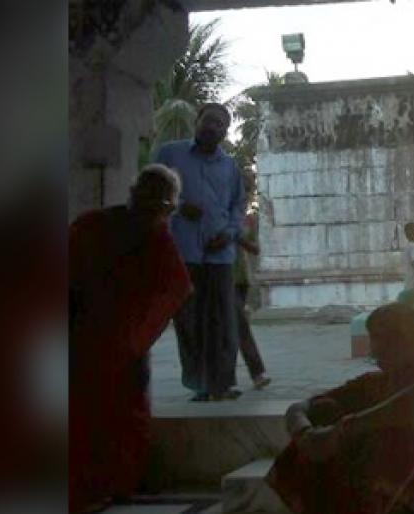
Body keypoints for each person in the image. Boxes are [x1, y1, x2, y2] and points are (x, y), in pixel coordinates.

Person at [267, 303, 414, 514]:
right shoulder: (375, 383)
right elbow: (300, 407)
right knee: (325, 410)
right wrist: (307, 435)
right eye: (377, 338)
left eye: (392, 338)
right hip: (373, 494)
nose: (382, 346)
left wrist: (342, 431)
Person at [69, 165, 193, 513]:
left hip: (107, 343)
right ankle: (103, 487)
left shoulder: (97, 227)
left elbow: (175, 288)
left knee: (110, 416)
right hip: (103, 343)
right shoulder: (96, 228)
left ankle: (106, 487)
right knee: (103, 416)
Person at [154, 102, 246, 402]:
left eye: (221, 124)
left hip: (220, 255)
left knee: (224, 322)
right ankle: (200, 383)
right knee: (189, 321)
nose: (214, 127)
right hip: (184, 253)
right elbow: (152, 191)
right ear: (197, 121)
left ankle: (223, 383)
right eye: (209, 120)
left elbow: (237, 205)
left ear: (225, 131)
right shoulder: (170, 154)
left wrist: (230, 234)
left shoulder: (229, 166)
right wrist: (179, 206)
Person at [234, 204, 271, 389]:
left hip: (238, 279)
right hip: (220, 276)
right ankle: (256, 373)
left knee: (238, 325)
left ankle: (256, 373)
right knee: (235, 326)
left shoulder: (239, 220)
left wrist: (237, 237)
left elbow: (255, 248)